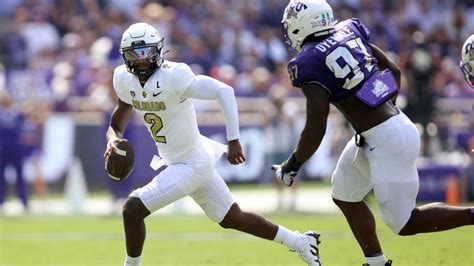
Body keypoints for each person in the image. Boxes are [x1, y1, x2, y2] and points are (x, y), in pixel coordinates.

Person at [273, 1, 474, 265]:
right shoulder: (348, 31)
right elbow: (394, 71)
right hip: (390, 127)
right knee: (344, 193)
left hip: (385, 139)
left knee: (404, 223)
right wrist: (378, 105)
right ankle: (376, 262)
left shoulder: (308, 61)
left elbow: (315, 128)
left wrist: (292, 165)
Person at [104, 22, 321, 266]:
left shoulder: (173, 76)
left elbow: (224, 91)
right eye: (135, 54)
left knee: (132, 209)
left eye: (146, 52)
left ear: (158, 51)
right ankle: (302, 242)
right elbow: (118, 119)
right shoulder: (124, 79)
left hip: (191, 162)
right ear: (125, 57)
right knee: (233, 218)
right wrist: (113, 139)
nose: (141, 60)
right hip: (185, 158)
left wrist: (234, 139)